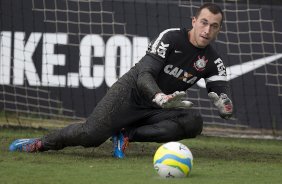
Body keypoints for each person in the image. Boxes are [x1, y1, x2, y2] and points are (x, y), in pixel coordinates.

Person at [9, 3, 233, 158]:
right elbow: (145, 73)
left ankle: (125, 135)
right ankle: (40, 143)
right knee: (91, 135)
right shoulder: (171, 37)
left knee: (194, 121)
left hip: (159, 108)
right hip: (131, 94)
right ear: (194, 21)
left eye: (214, 26)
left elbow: (221, 93)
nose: (207, 30)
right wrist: (159, 96)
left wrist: (224, 105)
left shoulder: (213, 60)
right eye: (204, 22)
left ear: (219, 29)